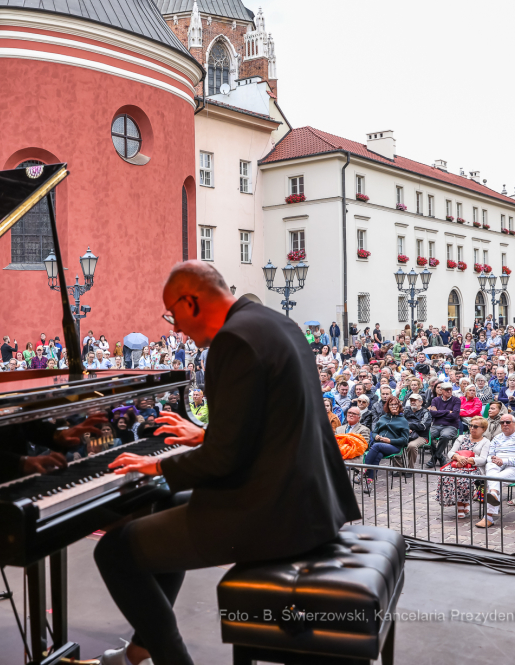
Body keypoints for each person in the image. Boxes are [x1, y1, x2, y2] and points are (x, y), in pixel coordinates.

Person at [94, 261, 360, 665]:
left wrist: (157, 466)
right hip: (307, 502)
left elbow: (223, 461)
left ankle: (172, 660)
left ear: (191, 301)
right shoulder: (273, 322)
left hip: (270, 516)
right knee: (166, 502)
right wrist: (204, 434)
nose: (176, 328)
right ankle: (140, 648)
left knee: (113, 552)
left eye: (173, 314)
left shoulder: (232, 342)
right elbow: (274, 423)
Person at [477, 414, 515, 528]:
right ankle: (494, 495)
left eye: (508, 422)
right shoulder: (497, 438)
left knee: (495, 480)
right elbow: (490, 455)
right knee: (491, 468)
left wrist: (504, 461)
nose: (505, 425)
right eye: (502, 423)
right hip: (497, 465)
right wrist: (493, 460)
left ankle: (488, 516)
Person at [435, 416, 491, 519]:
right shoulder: (461, 438)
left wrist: (466, 460)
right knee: (446, 475)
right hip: (457, 464)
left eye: (475, 426)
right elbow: (450, 452)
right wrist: (458, 457)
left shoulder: (486, 442)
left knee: (462, 479)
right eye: (470, 425)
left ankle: (464, 504)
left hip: (474, 467)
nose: (472, 428)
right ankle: (461, 504)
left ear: (483, 429)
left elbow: (483, 459)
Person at [361, 395, 408, 491]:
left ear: (399, 406)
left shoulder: (403, 421)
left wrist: (390, 441)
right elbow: (374, 432)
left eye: (396, 405)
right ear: (388, 406)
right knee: (377, 455)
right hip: (380, 446)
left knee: (376, 445)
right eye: (391, 405)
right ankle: (369, 483)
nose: (394, 407)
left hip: (394, 447)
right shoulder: (383, 418)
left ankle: (363, 470)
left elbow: (405, 440)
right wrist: (376, 436)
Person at [426, 382, 461, 467]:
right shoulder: (435, 400)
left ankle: (435, 457)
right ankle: (441, 457)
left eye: (450, 389)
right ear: (441, 391)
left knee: (445, 436)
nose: (449, 391)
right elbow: (432, 414)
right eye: (446, 390)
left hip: (451, 426)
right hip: (436, 425)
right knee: (428, 436)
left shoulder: (456, 400)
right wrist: (447, 412)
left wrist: (439, 413)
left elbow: (454, 415)